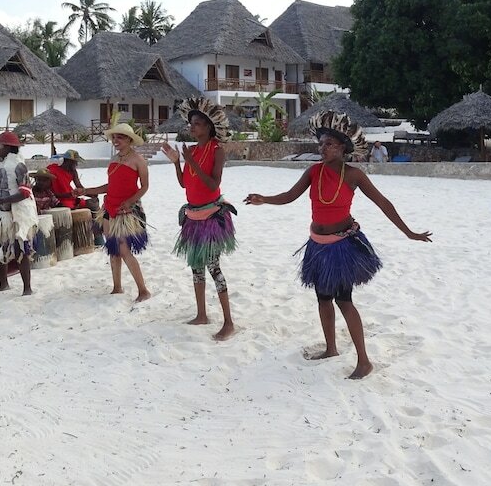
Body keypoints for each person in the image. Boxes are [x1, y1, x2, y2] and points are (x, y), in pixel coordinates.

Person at [244, 110, 432, 379]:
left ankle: (364, 361)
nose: (323, 148)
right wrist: (264, 199)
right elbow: (289, 196)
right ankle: (331, 348)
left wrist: (409, 232)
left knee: (344, 301)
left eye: (329, 144)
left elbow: (383, 203)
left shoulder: (354, 175)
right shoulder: (313, 171)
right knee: (323, 299)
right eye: (321, 144)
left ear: (343, 147)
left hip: (341, 247)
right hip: (317, 245)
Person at [161, 97, 238, 341]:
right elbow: (185, 182)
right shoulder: (192, 150)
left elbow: (214, 184)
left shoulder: (217, 151)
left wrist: (190, 161)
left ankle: (228, 322)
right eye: (191, 124)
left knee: (214, 268)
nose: (191, 128)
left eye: (196, 124)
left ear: (208, 127)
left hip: (212, 217)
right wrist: (177, 163)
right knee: (196, 268)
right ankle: (202, 314)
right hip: (193, 217)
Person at [80, 123, 151, 302]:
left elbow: (144, 187)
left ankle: (143, 290)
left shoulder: (138, 160)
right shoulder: (113, 160)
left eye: (120, 137)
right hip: (109, 208)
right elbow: (109, 186)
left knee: (124, 250)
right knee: (113, 250)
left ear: (129, 140)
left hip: (125, 211)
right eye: (114, 137)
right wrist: (87, 191)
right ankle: (117, 287)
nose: (115, 140)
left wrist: (129, 202)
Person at [0, 131, 37, 295]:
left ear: (7, 147)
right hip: (4, 215)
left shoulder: (18, 166)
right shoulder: (1, 166)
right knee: (0, 249)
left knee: (21, 250)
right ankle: (3, 284)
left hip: (18, 216)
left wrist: (2, 201)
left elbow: (25, 192)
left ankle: (27, 288)